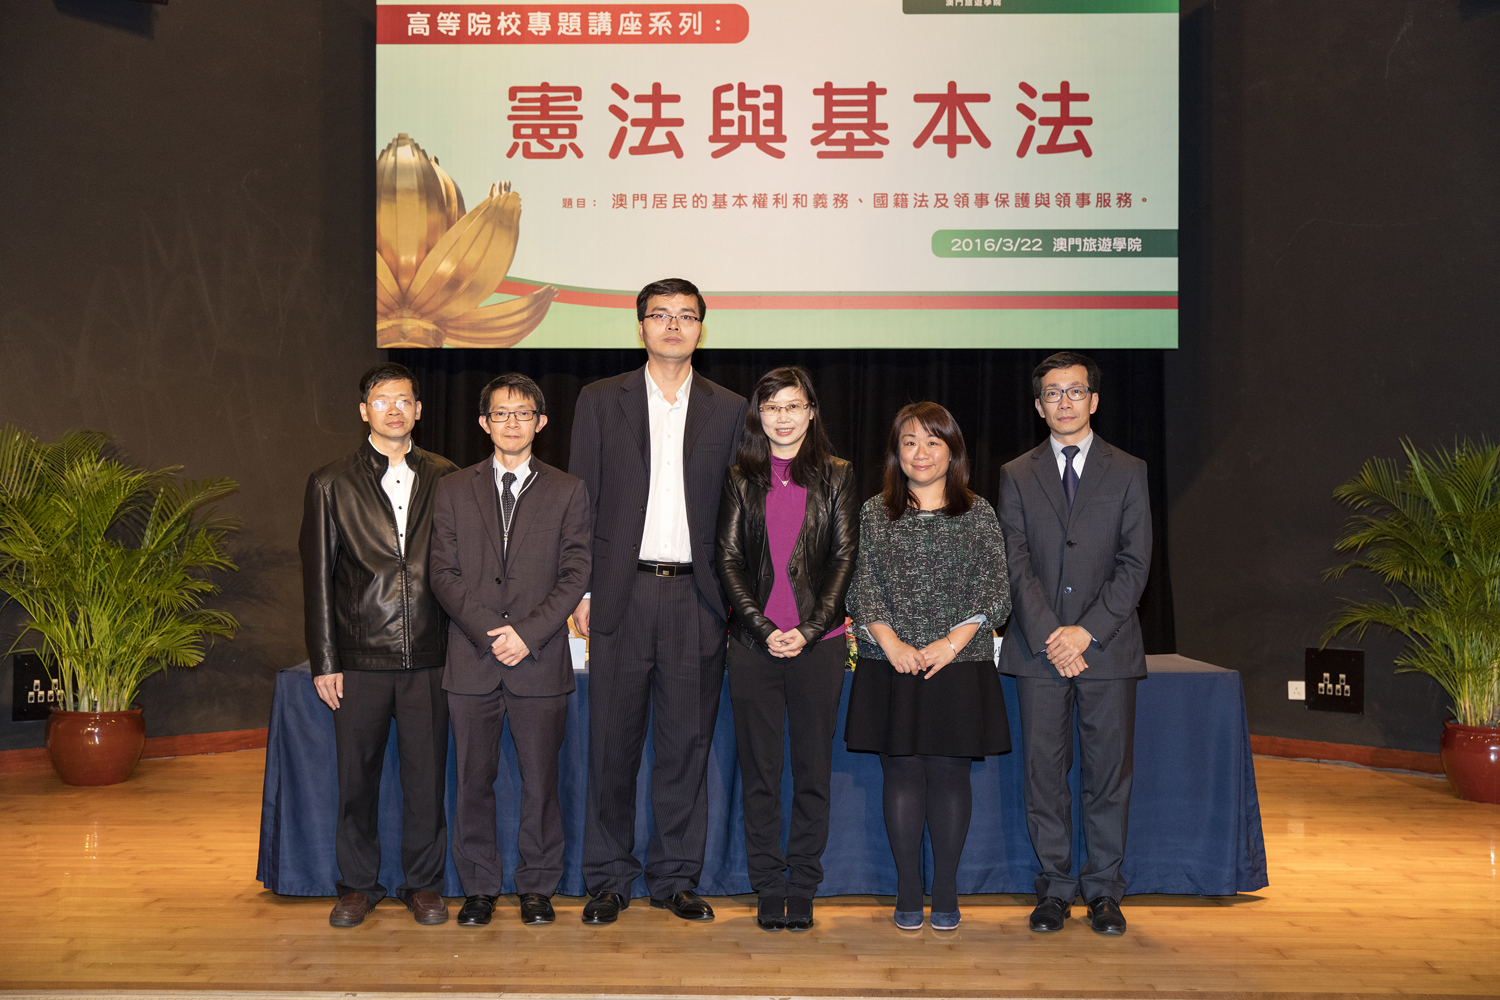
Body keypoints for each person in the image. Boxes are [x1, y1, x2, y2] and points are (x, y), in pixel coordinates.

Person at [568, 277, 749, 924]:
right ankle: (608, 879)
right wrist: (583, 588)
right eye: (661, 315)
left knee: (685, 747)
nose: (674, 325)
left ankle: (676, 878)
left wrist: (734, 597)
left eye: (686, 316)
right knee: (612, 746)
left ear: (702, 327)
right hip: (620, 594)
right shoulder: (600, 400)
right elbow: (581, 501)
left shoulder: (730, 409)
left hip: (697, 598)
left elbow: (739, 511)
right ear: (640, 325)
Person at [997, 351, 1152, 937]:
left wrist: (1085, 631)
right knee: (1044, 774)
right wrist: (1051, 634)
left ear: (1094, 400)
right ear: (1038, 407)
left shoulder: (1129, 469)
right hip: (1039, 651)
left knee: (1107, 776)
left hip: (1107, 648)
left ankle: (1105, 891)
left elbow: (1136, 563)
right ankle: (1055, 889)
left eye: (1075, 390)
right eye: (1053, 393)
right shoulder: (1016, 473)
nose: (1064, 401)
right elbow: (1014, 563)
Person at [299, 362, 459, 928]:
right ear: (364, 410)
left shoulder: (448, 476)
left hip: (431, 656)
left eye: (404, 400)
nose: (394, 409)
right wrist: (326, 660)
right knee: (356, 781)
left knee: (427, 780)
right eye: (382, 400)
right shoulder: (330, 482)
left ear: (419, 410)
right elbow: (318, 579)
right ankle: (357, 887)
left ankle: (424, 885)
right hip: (360, 657)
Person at [428, 373, 591, 928]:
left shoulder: (568, 490)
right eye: (501, 413)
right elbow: (443, 573)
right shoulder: (453, 489)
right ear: (484, 423)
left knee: (541, 784)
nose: (512, 423)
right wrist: (490, 633)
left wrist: (528, 634)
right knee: (473, 782)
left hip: (539, 660)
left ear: (540, 423)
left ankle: (537, 887)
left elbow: (575, 573)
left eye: (523, 413)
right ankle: (479, 888)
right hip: (471, 660)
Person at [844, 402, 1011, 932]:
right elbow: (860, 584)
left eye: (933, 442)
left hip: (957, 664)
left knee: (949, 774)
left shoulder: (978, 512)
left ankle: (945, 890)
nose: (921, 453)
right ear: (896, 452)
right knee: (901, 772)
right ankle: (907, 890)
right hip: (889, 661)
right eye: (910, 442)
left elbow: (995, 589)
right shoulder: (874, 511)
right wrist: (891, 642)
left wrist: (950, 643)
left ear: (952, 451)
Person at [714, 366, 860, 931]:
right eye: (772, 407)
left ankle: (803, 884)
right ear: (760, 415)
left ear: (810, 412)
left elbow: (844, 557)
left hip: (819, 645)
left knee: (811, 770)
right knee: (761, 771)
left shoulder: (837, 474)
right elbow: (727, 559)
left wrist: (811, 627)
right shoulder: (740, 477)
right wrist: (760, 626)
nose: (782, 417)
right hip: (753, 646)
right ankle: (768, 885)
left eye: (793, 406)